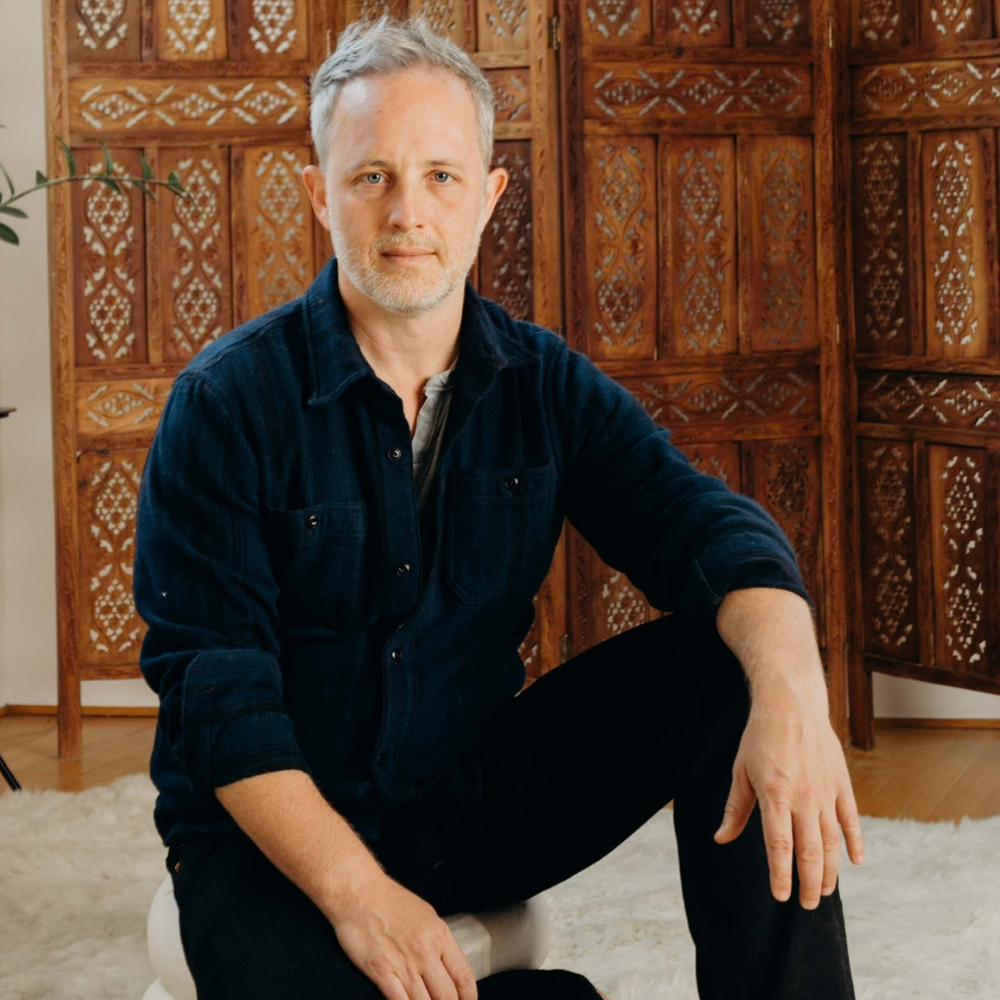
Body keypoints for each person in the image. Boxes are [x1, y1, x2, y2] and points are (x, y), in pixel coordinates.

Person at [134, 14, 864, 1000]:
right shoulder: (224, 403)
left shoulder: (544, 385)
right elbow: (219, 702)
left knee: (733, 670)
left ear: (488, 197)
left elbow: (708, 530)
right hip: (267, 847)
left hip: (462, 805)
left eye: (440, 175)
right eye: (372, 176)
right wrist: (360, 896)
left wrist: (794, 700)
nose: (408, 212)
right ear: (318, 194)